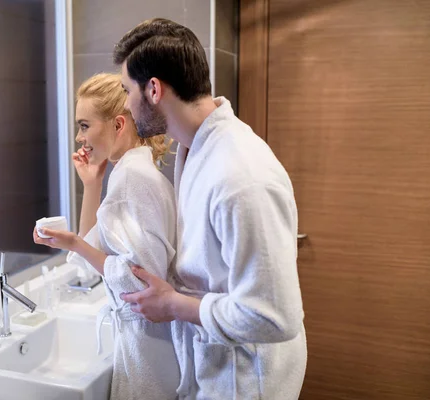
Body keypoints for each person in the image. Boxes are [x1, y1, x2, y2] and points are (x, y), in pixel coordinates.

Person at [114, 18, 307, 399]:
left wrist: (173, 305)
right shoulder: (195, 148)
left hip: (247, 381)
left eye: (126, 90)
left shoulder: (240, 175)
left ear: (154, 88)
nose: (124, 103)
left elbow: (274, 316)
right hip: (218, 364)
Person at [33, 73, 180, 400]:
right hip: (151, 342)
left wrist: (73, 243)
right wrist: (92, 184)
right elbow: (90, 259)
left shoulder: (131, 182)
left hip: (147, 346)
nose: (78, 137)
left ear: (118, 125)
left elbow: (143, 282)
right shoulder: (132, 175)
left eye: (84, 126)